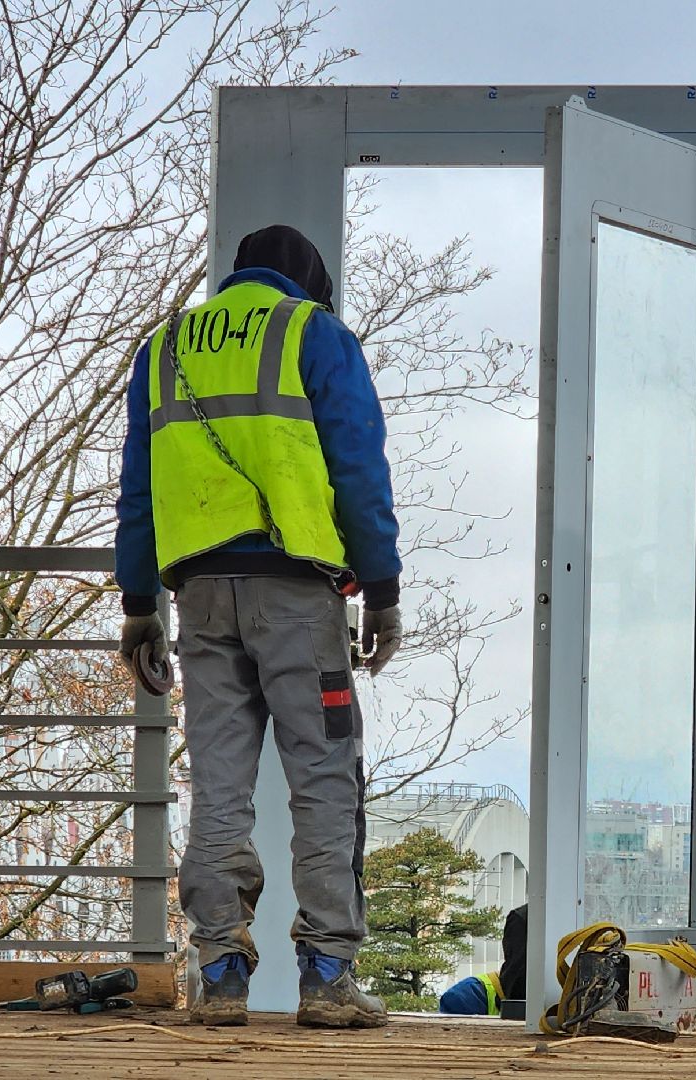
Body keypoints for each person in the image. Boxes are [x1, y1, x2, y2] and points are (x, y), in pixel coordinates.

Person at [114, 224, 405, 1028]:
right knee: (323, 782)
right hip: (297, 597)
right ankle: (327, 976)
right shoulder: (313, 331)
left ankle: (219, 972)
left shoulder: (164, 348)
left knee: (219, 787)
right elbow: (356, 463)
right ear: (306, 281)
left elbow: (137, 485)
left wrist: (138, 604)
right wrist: (379, 587)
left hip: (200, 597)